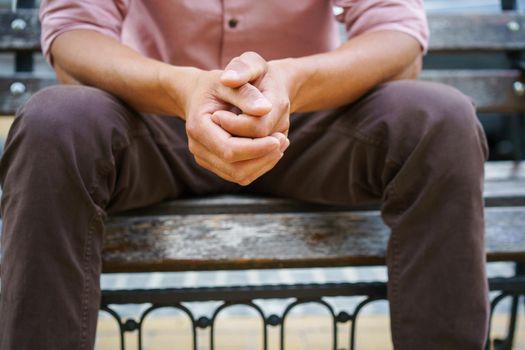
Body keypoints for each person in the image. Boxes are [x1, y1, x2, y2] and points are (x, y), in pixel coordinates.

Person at [0, 1, 490, 349]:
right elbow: (75, 34)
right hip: (153, 127)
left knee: (440, 118)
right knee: (53, 122)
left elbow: (398, 37)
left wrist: (293, 83)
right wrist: (182, 87)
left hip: (307, 130)